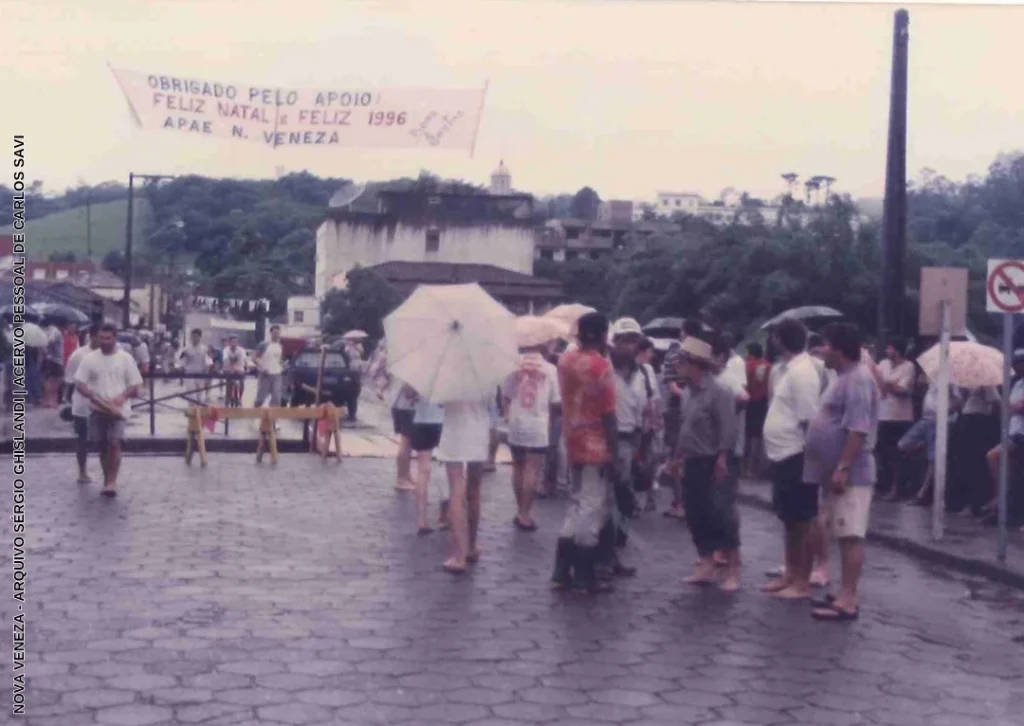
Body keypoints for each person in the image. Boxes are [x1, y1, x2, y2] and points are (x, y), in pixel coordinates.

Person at [805, 323, 879, 621]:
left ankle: (848, 600)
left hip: (852, 473)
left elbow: (858, 430)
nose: (821, 350)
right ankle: (843, 591)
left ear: (838, 348)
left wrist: (843, 466)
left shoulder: (859, 380)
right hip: (836, 472)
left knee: (850, 535)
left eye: (824, 344)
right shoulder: (842, 378)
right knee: (842, 533)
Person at [552, 312, 618, 595]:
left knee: (575, 504)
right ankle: (583, 575)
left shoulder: (565, 361)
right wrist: (614, 451)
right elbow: (610, 414)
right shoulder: (601, 367)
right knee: (591, 508)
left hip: (571, 440)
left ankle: (560, 571)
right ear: (602, 334)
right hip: (596, 445)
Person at [761, 319, 823, 600]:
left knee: (802, 520)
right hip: (783, 454)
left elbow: (809, 422)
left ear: (780, 340)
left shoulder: (802, 373)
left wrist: (812, 463)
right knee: (789, 519)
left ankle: (802, 581)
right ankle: (791, 573)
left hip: (797, 455)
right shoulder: (789, 370)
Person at [675, 334, 740, 591]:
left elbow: (728, 429)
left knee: (722, 514)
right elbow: (686, 428)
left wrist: (723, 458)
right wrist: (677, 458)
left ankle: (733, 569)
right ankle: (706, 563)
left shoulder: (719, 392)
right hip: (692, 459)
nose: (677, 365)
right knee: (695, 513)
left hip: (714, 460)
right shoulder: (688, 392)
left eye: (681, 360)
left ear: (694, 363)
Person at [74, 323, 143, 497]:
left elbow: (135, 385)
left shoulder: (125, 358)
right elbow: (80, 383)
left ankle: (112, 481)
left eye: (108, 338)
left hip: (118, 409)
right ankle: (107, 479)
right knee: (102, 445)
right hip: (98, 408)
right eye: (102, 338)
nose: (104, 341)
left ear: (115, 338)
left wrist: (122, 397)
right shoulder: (89, 359)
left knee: (114, 442)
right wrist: (92, 395)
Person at [503, 343, 561, 531]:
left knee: (518, 467)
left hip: (516, 423)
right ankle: (525, 514)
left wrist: (507, 416)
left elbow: (506, 396)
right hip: (538, 425)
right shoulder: (550, 369)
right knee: (532, 470)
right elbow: (555, 402)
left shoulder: (513, 365)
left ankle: (520, 509)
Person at [437, 399, 491, 574]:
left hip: (454, 432)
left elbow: (440, 403)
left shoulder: (446, 373)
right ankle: (471, 546)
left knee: (456, 491)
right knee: (474, 489)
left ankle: (459, 555)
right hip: (479, 430)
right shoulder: (486, 372)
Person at [871, 339, 916, 500]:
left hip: (900, 416)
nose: (888, 351)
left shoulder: (908, 367)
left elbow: (903, 390)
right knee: (881, 452)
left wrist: (885, 384)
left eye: (891, 348)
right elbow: (875, 381)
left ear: (898, 350)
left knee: (897, 454)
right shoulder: (883, 363)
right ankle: (883, 485)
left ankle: (896, 489)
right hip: (882, 414)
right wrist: (889, 384)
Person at [65, 324, 100, 484]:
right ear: (91, 336)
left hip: (104, 403)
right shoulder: (79, 355)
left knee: (106, 439)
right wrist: (68, 401)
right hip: (82, 403)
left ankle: (108, 474)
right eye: (100, 336)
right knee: (82, 438)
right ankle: (82, 471)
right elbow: (69, 380)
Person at [410, 392, 445, 535]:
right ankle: (444, 515)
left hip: (420, 422)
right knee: (446, 468)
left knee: (422, 472)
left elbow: (408, 394)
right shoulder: (449, 372)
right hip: (442, 422)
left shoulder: (420, 372)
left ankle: (422, 521)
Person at [744, 343, 771, 477]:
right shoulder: (768, 365)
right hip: (764, 403)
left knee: (750, 435)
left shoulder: (751, 365)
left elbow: (749, 385)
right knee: (757, 436)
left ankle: (748, 468)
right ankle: (753, 467)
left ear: (752, 353)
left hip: (751, 402)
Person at [177, 328, 214, 403]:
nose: (195, 338)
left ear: (200, 337)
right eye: (193, 336)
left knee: (199, 397)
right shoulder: (186, 349)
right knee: (191, 396)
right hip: (189, 375)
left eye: (196, 336)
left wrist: (207, 374)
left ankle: (198, 412)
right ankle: (192, 412)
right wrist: (180, 371)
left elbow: (208, 362)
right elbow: (181, 362)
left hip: (200, 375)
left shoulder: (205, 349)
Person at [253, 325, 284, 408]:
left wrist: (281, 366)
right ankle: (255, 413)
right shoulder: (263, 345)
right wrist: (263, 368)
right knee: (261, 397)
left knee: (276, 397)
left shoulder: (280, 346)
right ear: (271, 333)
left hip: (277, 374)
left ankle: (273, 418)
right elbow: (254, 358)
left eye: (278, 333)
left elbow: (279, 360)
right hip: (265, 374)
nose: (276, 335)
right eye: (274, 333)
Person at [41, 317, 64, 408]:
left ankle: (47, 401)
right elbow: (50, 340)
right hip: (55, 359)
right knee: (56, 380)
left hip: (48, 358)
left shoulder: (45, 331)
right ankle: (52, 401)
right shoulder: (55, 331)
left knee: (47, 379)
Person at [222, 335, 249, 407]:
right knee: (228, 384)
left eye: (235, 342)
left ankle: (240, 398)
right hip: (228, 369)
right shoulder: (226, 350)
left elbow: (244, 360)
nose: (234, 343)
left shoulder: (241, 350)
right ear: (229, 343)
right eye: (232, 342)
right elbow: (226, 360)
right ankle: (227, 398)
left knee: (241, 383)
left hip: (239, 369)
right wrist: (230, 369)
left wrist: (246, 368)